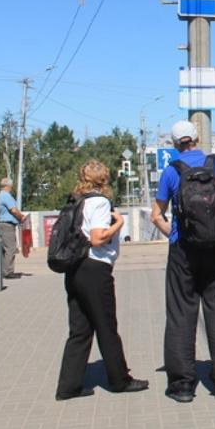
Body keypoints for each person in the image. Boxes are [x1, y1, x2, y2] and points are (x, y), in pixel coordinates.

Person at [151, 120, 215, 403]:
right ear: (197, 138)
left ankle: (182, 386)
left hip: (182, 252)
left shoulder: (171, 171)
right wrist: (214, 225)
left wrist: (174, 234)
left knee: (181, 314)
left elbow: (157, 215)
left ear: (174, 143)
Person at [55, 160, 149, 400]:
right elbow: (97, 238)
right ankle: (119, 380)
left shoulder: (77, 201)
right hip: (95, 269)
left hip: (75, 268)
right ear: (104, 179)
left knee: (80, 329)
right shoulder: (99, 202)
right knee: (106, 326)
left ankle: (68, 386)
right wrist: (119, 223)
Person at [0, 177, 27, 281]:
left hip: (3, 225)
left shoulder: (1, 195)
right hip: (7, 225)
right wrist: (21, 216)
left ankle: (4, 270)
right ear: (8, 186)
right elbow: (13, 210)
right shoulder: (6, 195)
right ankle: (8, 272)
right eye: (11, 186)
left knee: (5, 249)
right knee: (10, 248)